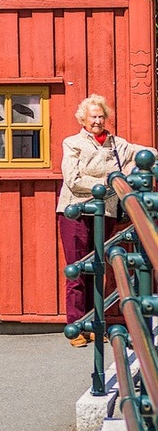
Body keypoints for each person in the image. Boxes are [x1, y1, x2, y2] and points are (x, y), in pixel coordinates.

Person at [57, 94, 139, 344]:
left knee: (97, 270)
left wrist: (131, 168)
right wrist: (107, 183)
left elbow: (148, 153)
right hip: (76, 212)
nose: (98, 120)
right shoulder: (72, 143)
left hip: (106, 212)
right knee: (78, 270)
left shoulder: (117, 144)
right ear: (83, 119)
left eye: (101, 116)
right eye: (93, 116)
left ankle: (94, 325)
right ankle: (76, 326)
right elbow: (73, 179)